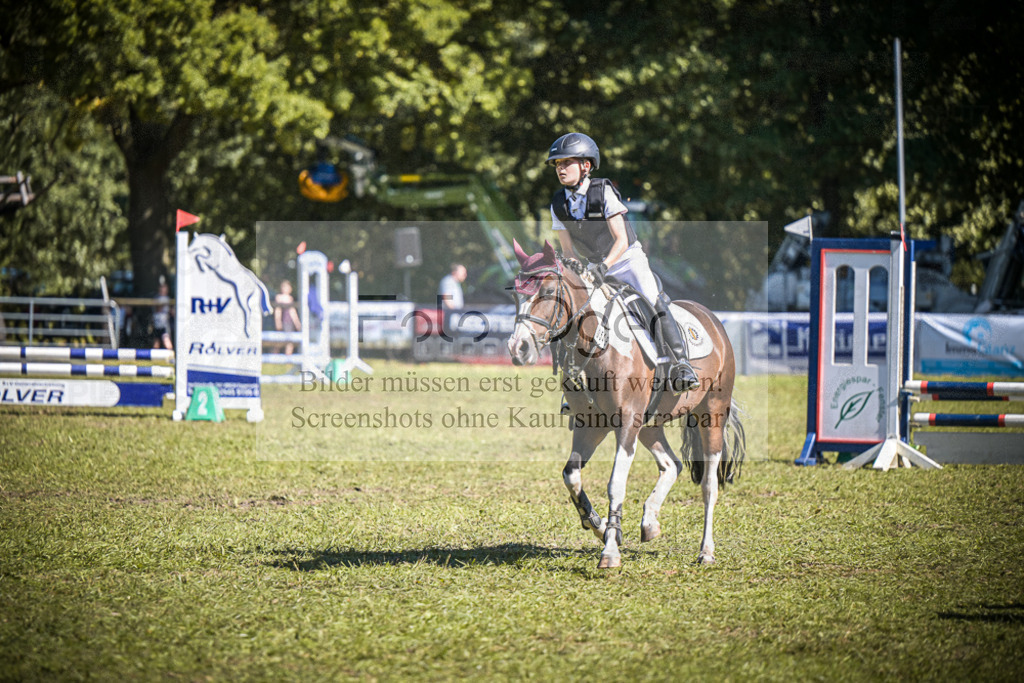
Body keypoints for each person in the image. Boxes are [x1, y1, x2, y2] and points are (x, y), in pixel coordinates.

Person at [546, 132, 698, 393]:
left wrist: (605, 267)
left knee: (652, 297)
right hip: (594, 267)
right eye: (557, 164)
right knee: (574, 309)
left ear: (585, 165)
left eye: (566, 162)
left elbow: (622, 240)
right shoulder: (558, 204)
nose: (560, 169)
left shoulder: (602, 191)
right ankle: (573, 379)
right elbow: (568, 250)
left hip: (626, 260)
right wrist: (580, 270)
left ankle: (680, 363)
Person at [274, 279, 301, 355]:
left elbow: (293, 312)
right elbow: (278, 311)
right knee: (278, 341)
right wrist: (278, 321)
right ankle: (274, 356)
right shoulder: (279, 297)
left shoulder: (290, 298)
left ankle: (288, 359)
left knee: (290, 341)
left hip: (289, 322)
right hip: (282, 321)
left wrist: (297, 323)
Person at [152, 280, 173, 350]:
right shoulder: (157, 298)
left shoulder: (167, 299)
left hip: (164, 324)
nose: (163, 290)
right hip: (157, 323)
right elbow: (157, 309)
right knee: (156, 342)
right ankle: (154, 358)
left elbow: (170, 311)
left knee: (166, 340)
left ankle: (171, 356)